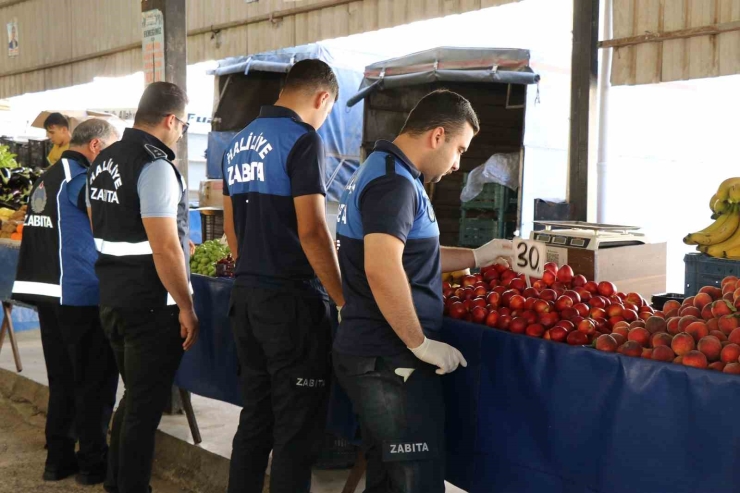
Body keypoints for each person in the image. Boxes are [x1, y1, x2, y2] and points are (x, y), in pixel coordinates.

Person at [333, 90, 512, 492]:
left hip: (377, 351)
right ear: (437, 136)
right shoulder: (392, 184)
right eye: (459, 149)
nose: (457, 163)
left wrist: (477, 256)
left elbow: (413, 255)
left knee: (387, 478)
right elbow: (382, 268)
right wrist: (419, 344)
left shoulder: (387, 171)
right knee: (417, 480)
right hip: (389, 358)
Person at [222, 59, 345, 493]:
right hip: (291, 305)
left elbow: (230, 231)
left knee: (255, 418)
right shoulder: (302, 140)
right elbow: (313, 230)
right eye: (328, 111)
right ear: (322, 97)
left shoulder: (236, 143)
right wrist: (343, 300)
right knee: (296, 432)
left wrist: (255, 269)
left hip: (247, 299)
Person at [87, 81, 198, 493]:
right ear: (170, 120)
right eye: (184, 125)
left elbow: (96, 215)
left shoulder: (104, 157)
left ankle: (117, 485)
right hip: (150, 306)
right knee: (143, 410)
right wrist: (186, 306)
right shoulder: (155, 164)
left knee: (132, 398)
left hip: (112, 295)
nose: (181, 133)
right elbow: (165, 248)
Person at [12, 119, 120, 485]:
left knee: (62, 379)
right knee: (94, 381)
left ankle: (58, 460)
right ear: (95, 146)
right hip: (78, 293)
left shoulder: (49, 175)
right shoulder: (81, 179)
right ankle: (92, 464)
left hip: (47, 293)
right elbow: (105, 225)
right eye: (111, 149)